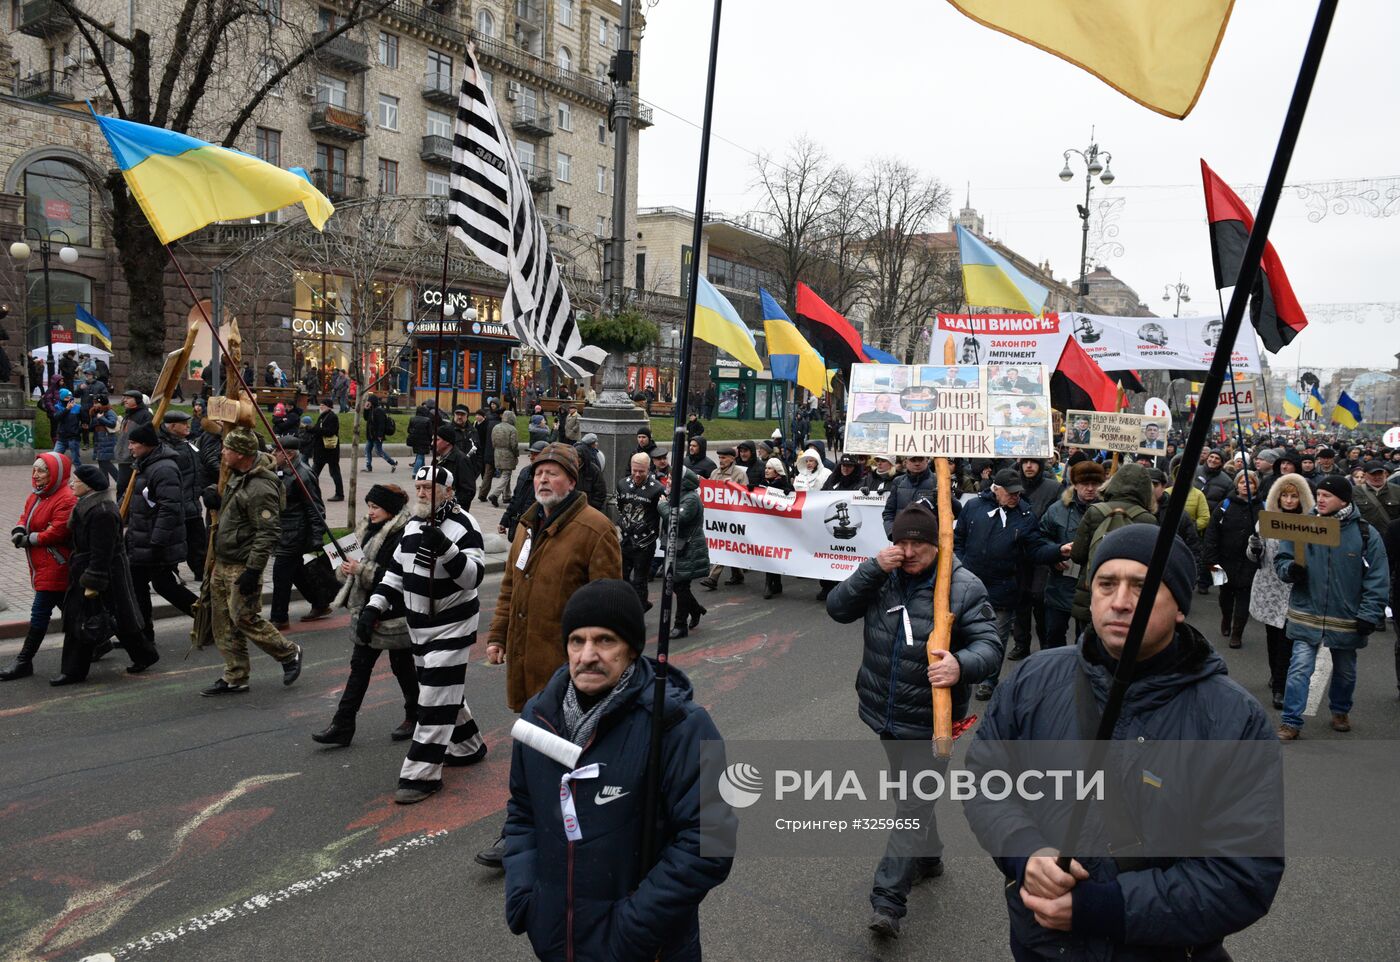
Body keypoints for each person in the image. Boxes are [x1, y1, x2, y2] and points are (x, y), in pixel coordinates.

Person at [965, 525, 1284, 959]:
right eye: (1106, 584)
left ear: (1180, 608)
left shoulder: (1232, 719)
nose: (1120, 602)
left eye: (1143, 587)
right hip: (1040, 944)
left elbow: (1243, 876)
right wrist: (1024, 853)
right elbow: (986, 778)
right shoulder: (1033, 679)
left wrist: (1103, 907)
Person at [503, 580, 734, 961]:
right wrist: (527, 898)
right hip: (556, 942)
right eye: (577, 641)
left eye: (605, 641)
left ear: (632, 649)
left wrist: (632, 930)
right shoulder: (538, 718)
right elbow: (522, 812)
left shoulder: (683, 725)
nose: (587, 655)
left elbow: (711, 842)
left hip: (646, 948)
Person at [827, 501, 1002, 938]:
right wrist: (871, 568)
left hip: (932, 723)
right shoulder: (882, 576)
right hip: (884, 715)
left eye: (917, 542)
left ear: (937, 544)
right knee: (912, 795)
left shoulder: (963, 586)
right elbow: (837, 608)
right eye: (900, 541)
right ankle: (929, 859)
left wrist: (960, 665)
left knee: (910, 805)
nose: (907, 550)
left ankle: (888, 901)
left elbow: (989, 646)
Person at [477, 442, 621, 865]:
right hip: (527, 661)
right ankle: (529, 829)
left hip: (569, 673)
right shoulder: (527, 525)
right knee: (533, 752)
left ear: (572, 482)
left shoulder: (594, 530)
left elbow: (609, 606)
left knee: (560, 756)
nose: (543, 479)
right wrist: (498, 635)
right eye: (538, 472)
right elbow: (510, 588)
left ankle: (543, 832)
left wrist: (594, 664)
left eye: (553, 473)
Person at [358, 466, 489, 802]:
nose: (421, 494)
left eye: (429, 488)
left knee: (431, 698)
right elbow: (396, 572)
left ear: (447, 491)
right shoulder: (414, 525)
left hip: (453, 624)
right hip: (418, 627)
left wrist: (446, 548)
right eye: (417, 487)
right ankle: (468, 745)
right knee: (441, 689)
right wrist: (375, 605)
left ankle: (421, 775)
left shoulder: (464, 525)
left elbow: (473, 577)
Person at [1276, 476, 1390, 740]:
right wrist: (1290, 570)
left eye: (1327, 495)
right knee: (1299, 668)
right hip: (1307, 613)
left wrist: (1369, 614)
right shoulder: (1302, 526)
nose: (1320, 499)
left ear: (1344, 500)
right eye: (1318, 494)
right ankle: (1290, 721)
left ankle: (1340, 710)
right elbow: (1283, 558)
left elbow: (1378, 577)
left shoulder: (1365, 533)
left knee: (1346, 671)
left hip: (1346, 617)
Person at [198, 428, 303, 696]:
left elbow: (267, 532)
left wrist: (253, 570)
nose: (222, 453)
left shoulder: (260, 487)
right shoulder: (236, 474)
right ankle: (235, 675)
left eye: (227, 449)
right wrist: (215, 496)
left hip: (242, 564)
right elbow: (232, 502)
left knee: (243, 617)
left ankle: (289, 653)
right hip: (223, 560)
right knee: (222, 621)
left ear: (242, 454)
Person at [955, 468, 1069, 700]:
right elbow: (959, 539)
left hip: (1004, 587)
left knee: (995, 638)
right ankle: (963, 671)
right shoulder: (973, 507)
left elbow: (1036, 549)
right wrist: (959, 566)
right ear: (996, 489)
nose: (1016, 497)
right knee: (963, 632)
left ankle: (988, 680)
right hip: (969, 584)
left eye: (1018, 493)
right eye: (1011, 493)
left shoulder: (1025, 515)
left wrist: (1058, 551)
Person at [53, 464, 158, 685]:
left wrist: (93, 579)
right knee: (96, 618)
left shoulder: (102, 512)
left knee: (101, 617)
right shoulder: (86, 506)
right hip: (88, 568)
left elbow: (102, 551)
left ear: (90, 487)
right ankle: (143, 655)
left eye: (76, 481)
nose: (72, 484)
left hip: (103, 572)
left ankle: (75, 671)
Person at [0, 453, 77, 681]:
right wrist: (19, 529)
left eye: (41, 470)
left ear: (55, 474)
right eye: (34, 470)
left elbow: (58, 531)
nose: (35, 475)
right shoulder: (38, 495)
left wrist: (29, 539)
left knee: (39, 613)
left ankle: (24, 661)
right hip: (43, 563)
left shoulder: (66, 498)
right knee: (71, 609)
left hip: (57, 564)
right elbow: (26, 515)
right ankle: (101, 642)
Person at [126, 423, 198, 650]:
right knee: (145, 585)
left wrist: (157, 540)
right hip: (143, 539)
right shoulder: (144, 465)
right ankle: (144, 633)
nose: (130, 447)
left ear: (147, 445)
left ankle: (209, 617)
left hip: (156, 542)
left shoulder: (163, 469)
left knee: (163, 586)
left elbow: (170, 508)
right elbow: (134, 499)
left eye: (133, 443)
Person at [1247, 475, 1313, 709]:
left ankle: (1280, 687)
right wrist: (1254, 547)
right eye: (1284, 495)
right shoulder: (1266, 521)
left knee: (1288, 638)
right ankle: (1276, 674)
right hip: (1270, 588)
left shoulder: (1311, 522)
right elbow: (1255, 555)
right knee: (1273, 638)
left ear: (1301, 498)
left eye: (1293, 496)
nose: (1288, 500)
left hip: (1296, 589)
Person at [1069, 462, 1158, 626]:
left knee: (1085, 644)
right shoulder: (1148, 519)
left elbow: (1077, 555)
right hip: (1129, 595)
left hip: (1092, 591)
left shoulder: (1094, 511)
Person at [268, 438, 333, 630]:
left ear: (288, 454)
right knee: (295, 572)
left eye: (276, 452)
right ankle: (320, 602)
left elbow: (315, 508)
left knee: (280, 574)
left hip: (296, 534)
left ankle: (279, 617)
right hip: (284, 531)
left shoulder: (302, 474)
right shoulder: (280, 471)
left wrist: (316, 537)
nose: (272, 455)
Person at [1040, 460, 1103, 649]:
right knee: (1053, 636)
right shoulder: (1057, 509)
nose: (1090, 489)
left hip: (1092, 588)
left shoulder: (1108, 511)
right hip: (1060, 584)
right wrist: (1055, 555)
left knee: (1086, 642)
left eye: (1095, 484)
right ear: (1075, 484)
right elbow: (1041, 538)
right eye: (1085, 484)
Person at [1204, 469, 1265, 650]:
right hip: (1223, 559)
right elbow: (1212, 533)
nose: (1246, 485)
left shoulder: (1263, 507)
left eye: (1251, 482)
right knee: (1225, 594)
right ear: (1237, 484)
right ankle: (1225, 618)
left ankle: (1237, 633)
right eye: (1242, 482)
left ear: (1256, 486)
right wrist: (1210, 559)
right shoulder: (1225, 505)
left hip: (1250, 562)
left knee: (1244, 598)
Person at [658, 468, 709, 638]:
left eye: (672, 478)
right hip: (679, 547)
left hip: (688, 548)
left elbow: (678, 519)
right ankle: (695, 610)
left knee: (680, 585)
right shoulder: (678, 495)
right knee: (678, 585)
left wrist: (662, 505)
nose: (669, 480)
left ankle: (680, 625)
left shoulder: (691, 499)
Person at [615, 452, 663, 610]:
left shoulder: (657, 489)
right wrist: (622, 522)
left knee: (640, 580)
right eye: (634, 470)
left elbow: (663, 513)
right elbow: (620, 506)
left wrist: (652, 530)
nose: (637, 474)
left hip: (645, 543)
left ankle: (639, 609)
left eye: (641, 471)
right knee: (622, 576)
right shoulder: (622, 484)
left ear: (648, 469)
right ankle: (631, 604)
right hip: (626, 539)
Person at [502, 441, 545, 542]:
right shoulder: (525, 472)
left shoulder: (546, 477)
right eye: (531, 454)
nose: (531, 457)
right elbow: (516, 498)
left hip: (535, 526)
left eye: (536, 454)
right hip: (519, 523)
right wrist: (504, 521)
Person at [114, 389, 152, 498]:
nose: (125, 400)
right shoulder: (128, 414)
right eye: (124, 398)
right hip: (124, 456)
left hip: (133, 458)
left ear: (137, 400)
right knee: (121, 487)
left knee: (125, 486)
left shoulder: (144, 415)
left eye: (128, 398)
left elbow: (147, 436)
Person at [430, 425, 477, 507]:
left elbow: (468, 491)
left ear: (447, 441)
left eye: (436, 440)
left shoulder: (461, 460)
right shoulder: (436, 459)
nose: (432, 443)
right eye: (432, 440)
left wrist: (452, 504)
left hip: (454, 511)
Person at [310, 398, 344, 501]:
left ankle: (339, 494)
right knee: (313, 473)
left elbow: (330, 432)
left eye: (323, 405)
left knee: (334, 473)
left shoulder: (332, 417)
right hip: (321, 451)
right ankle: (310, 493)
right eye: (320, 405)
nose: (321, 406)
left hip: (330, 451)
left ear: (329, 407)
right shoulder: (323, 416)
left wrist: (313, 429)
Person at [1354, 460, 1400, 532]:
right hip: (1367, 536)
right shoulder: (1355, 492)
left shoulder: (1397, 490)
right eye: (1373, 474)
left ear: (1385, 473)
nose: (1377, 477)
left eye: (1380, 473)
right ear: (1365, 475)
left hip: (1392, 537)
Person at [489, 409, 519, 507]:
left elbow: (493, 442)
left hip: (497, 452)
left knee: (505, 474)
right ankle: (495, 494)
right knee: (506, 474)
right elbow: (513, 445)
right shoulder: (512, 429)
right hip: (508, 453)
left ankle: (507, 496)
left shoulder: (496, 427)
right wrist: (516, 454)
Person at [363, 394, 398, 473]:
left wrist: (380, 435)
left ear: (373, 402)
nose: (368, 402)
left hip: (376, 436)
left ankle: (393, 463)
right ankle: (368, 466)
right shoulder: (371, 410)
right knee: (367, 450)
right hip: (370, 435)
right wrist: (366, 409)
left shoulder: (379, 411)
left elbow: (381, 424)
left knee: (379, 451)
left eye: (369, 401)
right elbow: (366, 418)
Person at [52, 388, 82, 465]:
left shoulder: (78, 407)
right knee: (54, 458)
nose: (69, 399)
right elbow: (56, 417)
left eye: (70, 397)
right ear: (61, 398)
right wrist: (67, 409)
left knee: (76, 460)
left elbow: (85, 421)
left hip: (73, 437)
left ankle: (81, 476)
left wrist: (79, 430)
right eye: (66, 397)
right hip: (62, 437)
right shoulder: (57, 407)